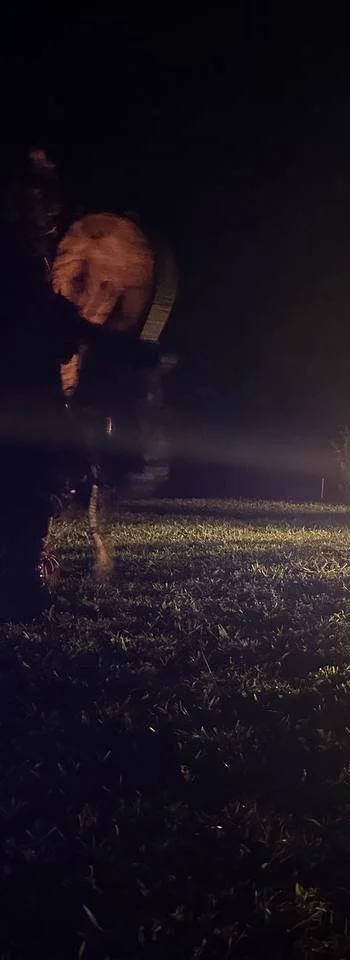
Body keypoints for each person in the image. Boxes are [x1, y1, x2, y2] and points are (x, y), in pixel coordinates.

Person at [0, 146, 158, 619]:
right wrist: (91, 330)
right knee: (30, 480)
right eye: (30, 196)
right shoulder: (20, 258)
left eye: (46, 199)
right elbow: (39, 326)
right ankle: (20, 581)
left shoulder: (31, 256)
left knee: (30, 480)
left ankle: (21, 573)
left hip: (27, 387)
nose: (44, 210)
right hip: (21, 392)